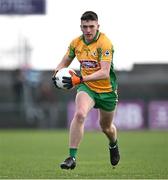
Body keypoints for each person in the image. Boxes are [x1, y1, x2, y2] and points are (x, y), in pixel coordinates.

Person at [52, 11, 120, 170]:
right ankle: (71, 157)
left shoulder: (105, 43)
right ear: (81, 27)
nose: (88, 30)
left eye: (91, 26)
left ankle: (113, 144)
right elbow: (64, 62)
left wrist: (79, 79)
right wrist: (55, 75)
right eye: (85, 27)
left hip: (107, 90)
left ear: (98, 26)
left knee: (106, 127)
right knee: (80, 114)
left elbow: (104, 72)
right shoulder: (76, 43)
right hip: (87, 87)